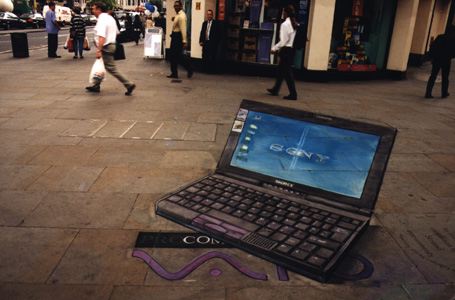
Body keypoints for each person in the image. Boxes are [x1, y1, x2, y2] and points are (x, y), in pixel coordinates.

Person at [86, 2, 136, 96]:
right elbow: (117, 33)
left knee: (111, 68)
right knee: (100, 65)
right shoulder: (110, 18)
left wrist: (99, 50)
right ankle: (96, 85)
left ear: (99, 9)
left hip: (106, 46)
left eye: (93, 9)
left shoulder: (102, 20)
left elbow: (102, 37)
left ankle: (128, 84)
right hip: (111, 44)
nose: (92, 11)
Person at [267, 5, 298, 100]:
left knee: (288, 73)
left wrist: (274, 48)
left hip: (285, 50)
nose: (283, 14)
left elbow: (283, 41)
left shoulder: (285, 24)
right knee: (281, 71)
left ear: (286, 13)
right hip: (290, 49)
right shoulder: (294, 23)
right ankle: (275, 89)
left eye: (284, 12)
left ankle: (293, 94)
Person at [167, 0, 193, 79]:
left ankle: (189, 68)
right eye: (175, 6)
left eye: (177, 6)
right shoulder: (178, 15)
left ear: (181, 6)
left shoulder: (181, 16)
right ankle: (174, 73)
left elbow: (183, 29)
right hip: (175, 36)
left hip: (178, 37)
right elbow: (177, 20)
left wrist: (184, 41)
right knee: (174, 56)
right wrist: (174, 18)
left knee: (178, 56)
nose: (175, 7)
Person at [425, 32, 455, 99]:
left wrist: (432, 57)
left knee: (433, 76)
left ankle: (428, 93)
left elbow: (433, 47)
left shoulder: (440, 37)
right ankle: (444, 93)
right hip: (446, 60)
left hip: (437, 59)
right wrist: (450, 56)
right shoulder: (453, 39)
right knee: (445, 77)